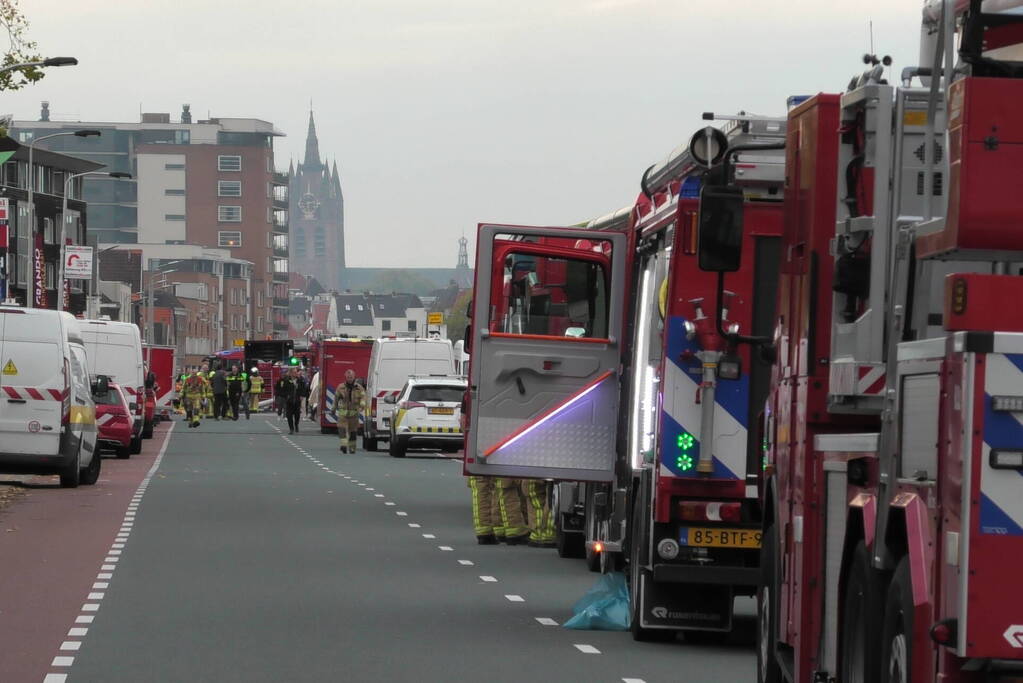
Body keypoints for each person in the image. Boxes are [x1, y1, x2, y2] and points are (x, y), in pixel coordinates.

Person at [331, 369, 365, 453]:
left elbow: (363, 397)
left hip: (354, 414)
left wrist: (362, 405)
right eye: (348, 377)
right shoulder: (340, 387)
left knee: (353, 432)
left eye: (351, 377)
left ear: (354, 377)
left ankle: (352, 447)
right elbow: (336, 399)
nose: (350, 379)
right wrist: (333, 408)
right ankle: (344, 445)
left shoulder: (359, 388)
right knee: (341, 430)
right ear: (345, 377)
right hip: (343, 414)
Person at [525, 480, 556, 548]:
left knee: (537, 505)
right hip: (538, 477)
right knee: (551, 502)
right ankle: (548, 533)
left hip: (531, 476)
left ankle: (538, 533)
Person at [279, 368, 308, 434]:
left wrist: (302, 396)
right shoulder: (286, 380)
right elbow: (283, 390)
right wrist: (286, 396)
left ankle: (296, 425)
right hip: (289, 400)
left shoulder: (300, 380)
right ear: (291, 373)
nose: (296, 373)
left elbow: (304, 389)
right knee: (289, 415)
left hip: (297, 400)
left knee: (297, 414)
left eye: (296, 372)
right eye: (294, 372)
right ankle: (291, 429)